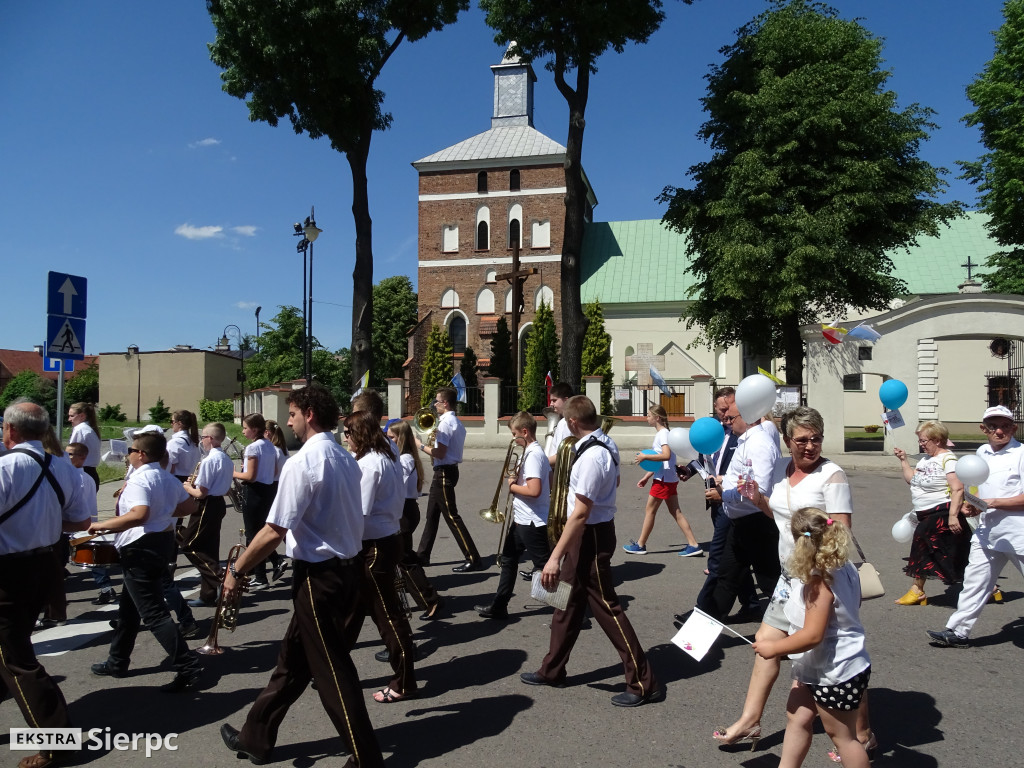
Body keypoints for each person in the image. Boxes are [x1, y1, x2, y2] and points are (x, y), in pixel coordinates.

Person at [218, 384, 384, 768]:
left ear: (309, 414)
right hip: (343, 573)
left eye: (292, 414)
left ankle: (366, 759)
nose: (289, 422)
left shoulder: (304, 462)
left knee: (332, 672)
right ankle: (254, 737)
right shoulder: (344, 458)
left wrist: (237, 569)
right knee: (292, 662)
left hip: (318, 579)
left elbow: (275, 529)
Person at [714, 406, 873, 758]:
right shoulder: (783, 472)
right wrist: (759, 500)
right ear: (788, 441)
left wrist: (817, 561)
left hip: (821, 577)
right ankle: (750, 720)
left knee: (838, 654)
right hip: (790, 576)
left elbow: (842, 532)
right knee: (766, 640)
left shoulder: (831, 476)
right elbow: (784, 517)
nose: (810, 446)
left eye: (816, 439)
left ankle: (861, 731)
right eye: (802, 440)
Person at [520, 396, 662, 707]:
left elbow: (581, 513)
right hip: (588, 534)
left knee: (608, 609)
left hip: (591, 536)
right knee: (565, 603)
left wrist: (554, 557)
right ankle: (552, 670)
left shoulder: (590, 457)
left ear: (572, 422)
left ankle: (643, 682)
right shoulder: (605, 444)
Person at [1, 401, 91, 768]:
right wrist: (43, 521)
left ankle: (57, 742)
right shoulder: (64, 468)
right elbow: (80, 520)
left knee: (17, 659)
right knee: (12, 647)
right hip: (44, 566)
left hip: (7, 573)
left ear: (11, 431)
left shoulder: (5, 467)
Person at [752, 507, 872, 768]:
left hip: (835, 670)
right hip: (824, 665)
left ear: (799, 542)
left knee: (843, 738)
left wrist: (774, 647)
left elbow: (813, 635)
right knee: (797, 717)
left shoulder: (819, 582)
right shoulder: (845, 566)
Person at [88, 430, 202, 691]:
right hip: (160, 543)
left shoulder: (140, 480)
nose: (128, 455)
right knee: (129, 608)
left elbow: (139, 515)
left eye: (130, 451)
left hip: (141, 547)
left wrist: (103, 526)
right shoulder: (167, 478)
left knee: (153, 613)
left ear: (140, 454)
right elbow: (189, 507)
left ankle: (187, 665)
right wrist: (162, 512)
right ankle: (117, 661)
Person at [928, 405, 1024, 648]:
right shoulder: (981, 452)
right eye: (993, 426)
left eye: (1004, 426)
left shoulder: (1021, 454)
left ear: (1014, 428)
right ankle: (958, 631)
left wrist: (993, 503)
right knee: (974, 582)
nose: (999, 431)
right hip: (986, 532)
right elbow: (974, 486)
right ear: (984, 429)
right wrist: (970, 505)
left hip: (1018, 533)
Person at [346, 410, 418, 703]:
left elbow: (358, 513)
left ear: (360, 434)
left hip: (374, 545)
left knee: (388, 617)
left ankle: (404, 681)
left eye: (349, 433)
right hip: (385, 538)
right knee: (351, 613)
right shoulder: (386, 455)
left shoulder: (369, 464)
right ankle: (332, 667)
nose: (345, 438)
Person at [682, 387, 758, 623]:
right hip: (715, 501)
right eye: (721, 409)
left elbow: (744, 474)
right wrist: (689, 470)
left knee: (717, 557)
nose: (725, 414)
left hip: (733, 499)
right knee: (736, 556)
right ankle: (752, 604)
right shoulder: (711, 431)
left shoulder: (741, 435)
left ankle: (703, 611)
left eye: (729, 409)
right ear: (715, 407)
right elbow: (704, 460)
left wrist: (724, 485)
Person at [704, 398, 782, 623]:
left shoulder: (758, 443)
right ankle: (697, 638)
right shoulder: (747, 441)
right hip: (741, 523)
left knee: (771, 583)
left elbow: (759, 490)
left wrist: (724, 495)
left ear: (746, 418)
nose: (727, 423)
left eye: (731, 418)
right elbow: (744, 480)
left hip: (757, 524)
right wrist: (724, 483)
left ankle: (795, 634)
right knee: (726, 578)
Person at [475, 411, 551, 620]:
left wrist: (513, 486)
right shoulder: (532, 452)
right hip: (522, 518)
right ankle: (500, 606)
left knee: (545, 567)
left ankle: (572, 613)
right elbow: (548, 482)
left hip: (532, 520)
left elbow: (535, 490)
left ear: (524, 432)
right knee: (508, 559)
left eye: (514, 433)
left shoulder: (534, 454)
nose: (512, 438)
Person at [893, 420, 970, 605]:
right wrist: (904, 461)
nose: (921, 444)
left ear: (937, 440)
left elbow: (957, 488)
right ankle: (990, 589)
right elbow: (912, 480)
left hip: (942, 512)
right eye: (920, 440)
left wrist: (952, 516)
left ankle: (917, 590)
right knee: (952, 556)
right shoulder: (925, 459)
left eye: (923, 440)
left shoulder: (948, 459)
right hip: (925, 513)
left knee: (921, 541)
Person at [415, 386, 481, 572]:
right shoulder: (456, 422)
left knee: (452, 517)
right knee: (432, 516)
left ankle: (473, 557)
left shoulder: (444, 423)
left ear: (445, 403)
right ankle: (423, 555)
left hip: (443, 472)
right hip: (448, 471)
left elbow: (440, 453)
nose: (434, 405)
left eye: (436, 401)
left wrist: (420, 446)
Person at [623, 404, 702, 556]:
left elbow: (665, 455)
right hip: (667, 478)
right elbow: (661, 461)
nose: (647, 418)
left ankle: (640, 545)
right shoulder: (664, 433)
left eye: (649, 415)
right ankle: (693, 544)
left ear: (657, 417)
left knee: (650, 511)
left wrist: (645, 456)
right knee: (676, 512)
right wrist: (646, 477)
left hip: (664, 480)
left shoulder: (663, 434)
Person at [387, 419, 442, 620]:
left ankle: (430, 600)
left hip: (404, 512)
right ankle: (429, 598)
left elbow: (396, 487)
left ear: (400, 438)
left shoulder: (405, 460)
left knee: (405, 560)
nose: (388, 440)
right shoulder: (401, 458)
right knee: (404, 558)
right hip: (403, 511)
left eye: (391, 437)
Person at [181, 422, 235, 607]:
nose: (201, 440)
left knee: (190, 545)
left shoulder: (209, 460)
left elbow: (200, 493)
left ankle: (219, 576)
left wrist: (188, 486)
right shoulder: (226, 459)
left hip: (205, 505)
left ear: (210, 439)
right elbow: (225, 487)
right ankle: (207, 595)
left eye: (203, 437)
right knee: (209, 546)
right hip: (218, 503)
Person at [233, 413, 282, 588]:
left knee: (253, 535)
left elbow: (250, 476)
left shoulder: (253, 448)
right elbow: (274, 470)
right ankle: (267, 567)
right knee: (260, 531)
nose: (243, 431)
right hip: (267, 490)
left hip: (254, 491)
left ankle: (260, 577)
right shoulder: (269, 445)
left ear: (254, 429)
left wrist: (233, 473)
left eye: (245, 428)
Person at [68, 401, 102, 490]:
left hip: (83, 473)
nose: (69, 419)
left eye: (72, 416)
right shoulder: (89, 429)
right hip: (91, 473)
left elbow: (72, 453)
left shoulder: (80, 429)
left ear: (82, 416)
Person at [166, 410, 202, 481]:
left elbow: (170, 467)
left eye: (172, 421)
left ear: (179, 423)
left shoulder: (175, 442)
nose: (171, 424)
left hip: (176, 480)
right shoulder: (195, 441)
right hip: (191, 480)